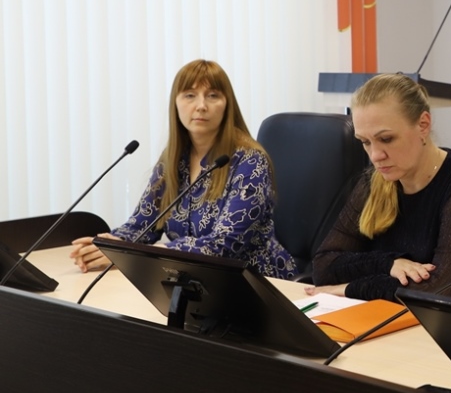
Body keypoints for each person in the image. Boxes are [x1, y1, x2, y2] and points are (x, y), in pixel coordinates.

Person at [308, 73, 451, 308]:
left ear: (423, 125)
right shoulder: (375, 181)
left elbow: (438, 294)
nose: (375, 155)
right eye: (365, 142)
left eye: (386, 138)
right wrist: (388, 264)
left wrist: (349, 288)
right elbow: (323, 268)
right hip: (397, 312)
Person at [69, 59, 298, 279]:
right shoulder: (174, 159)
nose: (201, 106)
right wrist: (108, 246)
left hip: (258, 281)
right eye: (190, 95)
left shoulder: (250, 161)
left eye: (213, 96)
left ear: (227, 105)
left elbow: (226, 244)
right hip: (193, 280)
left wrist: (150, 253)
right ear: (176, 103)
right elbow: (142, 225)